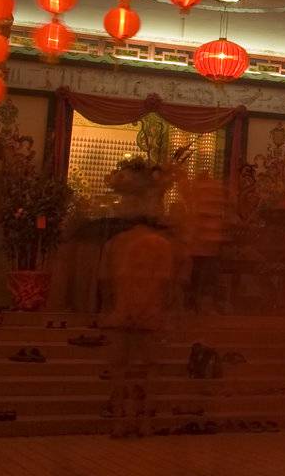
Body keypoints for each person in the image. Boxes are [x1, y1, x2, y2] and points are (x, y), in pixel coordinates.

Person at [97, 157, 178, 438]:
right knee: (149, 371)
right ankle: (144, 420)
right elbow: (168, 286)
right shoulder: (162, 246)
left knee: (119, 371)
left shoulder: (115, 244)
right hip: (151, 314)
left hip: (121, 313)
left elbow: (105, 285)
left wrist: (108, 312)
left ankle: (120, 419)